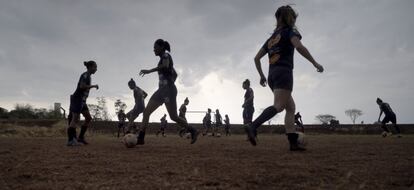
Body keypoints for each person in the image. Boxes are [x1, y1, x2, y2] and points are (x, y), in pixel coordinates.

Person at [244, 5, 324, 151]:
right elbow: (299, 47)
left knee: (291, 107)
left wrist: (262, 76)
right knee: (279, 106)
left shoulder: (271, 38)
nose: (294, 20)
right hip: (284, 73)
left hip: (272, 75)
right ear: (290, 17)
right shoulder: (289, 31)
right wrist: (314, 62)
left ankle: (293, 143)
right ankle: (253, 126)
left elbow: (256, 58)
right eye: (294, 17)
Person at [138, 39, 199, 145]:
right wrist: (169, 81)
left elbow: (166, 66)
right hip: (161, 91)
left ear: (161, 47)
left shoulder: (166, 56)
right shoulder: (163, 58)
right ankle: (141, 138)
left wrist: (149, 71)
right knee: (146, 112)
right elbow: (175, 74)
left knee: (173, 116)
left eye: (155, 47)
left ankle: (193, 130)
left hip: (168, 91)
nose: (154, 50)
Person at [67, 60, 99, 146]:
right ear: (90, 67)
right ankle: (71, 140)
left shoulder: (88, 76)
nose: (96, 69)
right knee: (75, 119)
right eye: (95, 67)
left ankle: (80, 138)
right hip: (77, 98)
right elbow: (81, 86)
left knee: (88, 118)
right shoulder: (85, 75)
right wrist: (93, 86)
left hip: (82, 101)